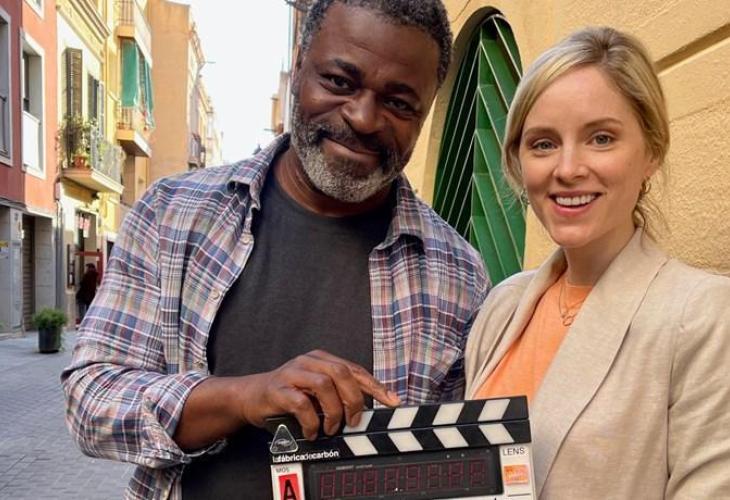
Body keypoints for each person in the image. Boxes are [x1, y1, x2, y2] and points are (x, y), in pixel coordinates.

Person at [62, 1, 488, 499]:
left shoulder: (458, 274)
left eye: (399, 103)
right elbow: (90, 403)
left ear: (427, 110)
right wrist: (243, 397)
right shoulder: (172, 214)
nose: (363, 117)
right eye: (339, 82)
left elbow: (459, 473)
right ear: (299, 65)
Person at [464, 26, 730, 499]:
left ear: (651, 151)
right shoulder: (502, 307)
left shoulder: (704, 316)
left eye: (601, 138)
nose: (567, 169)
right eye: (543, 143)